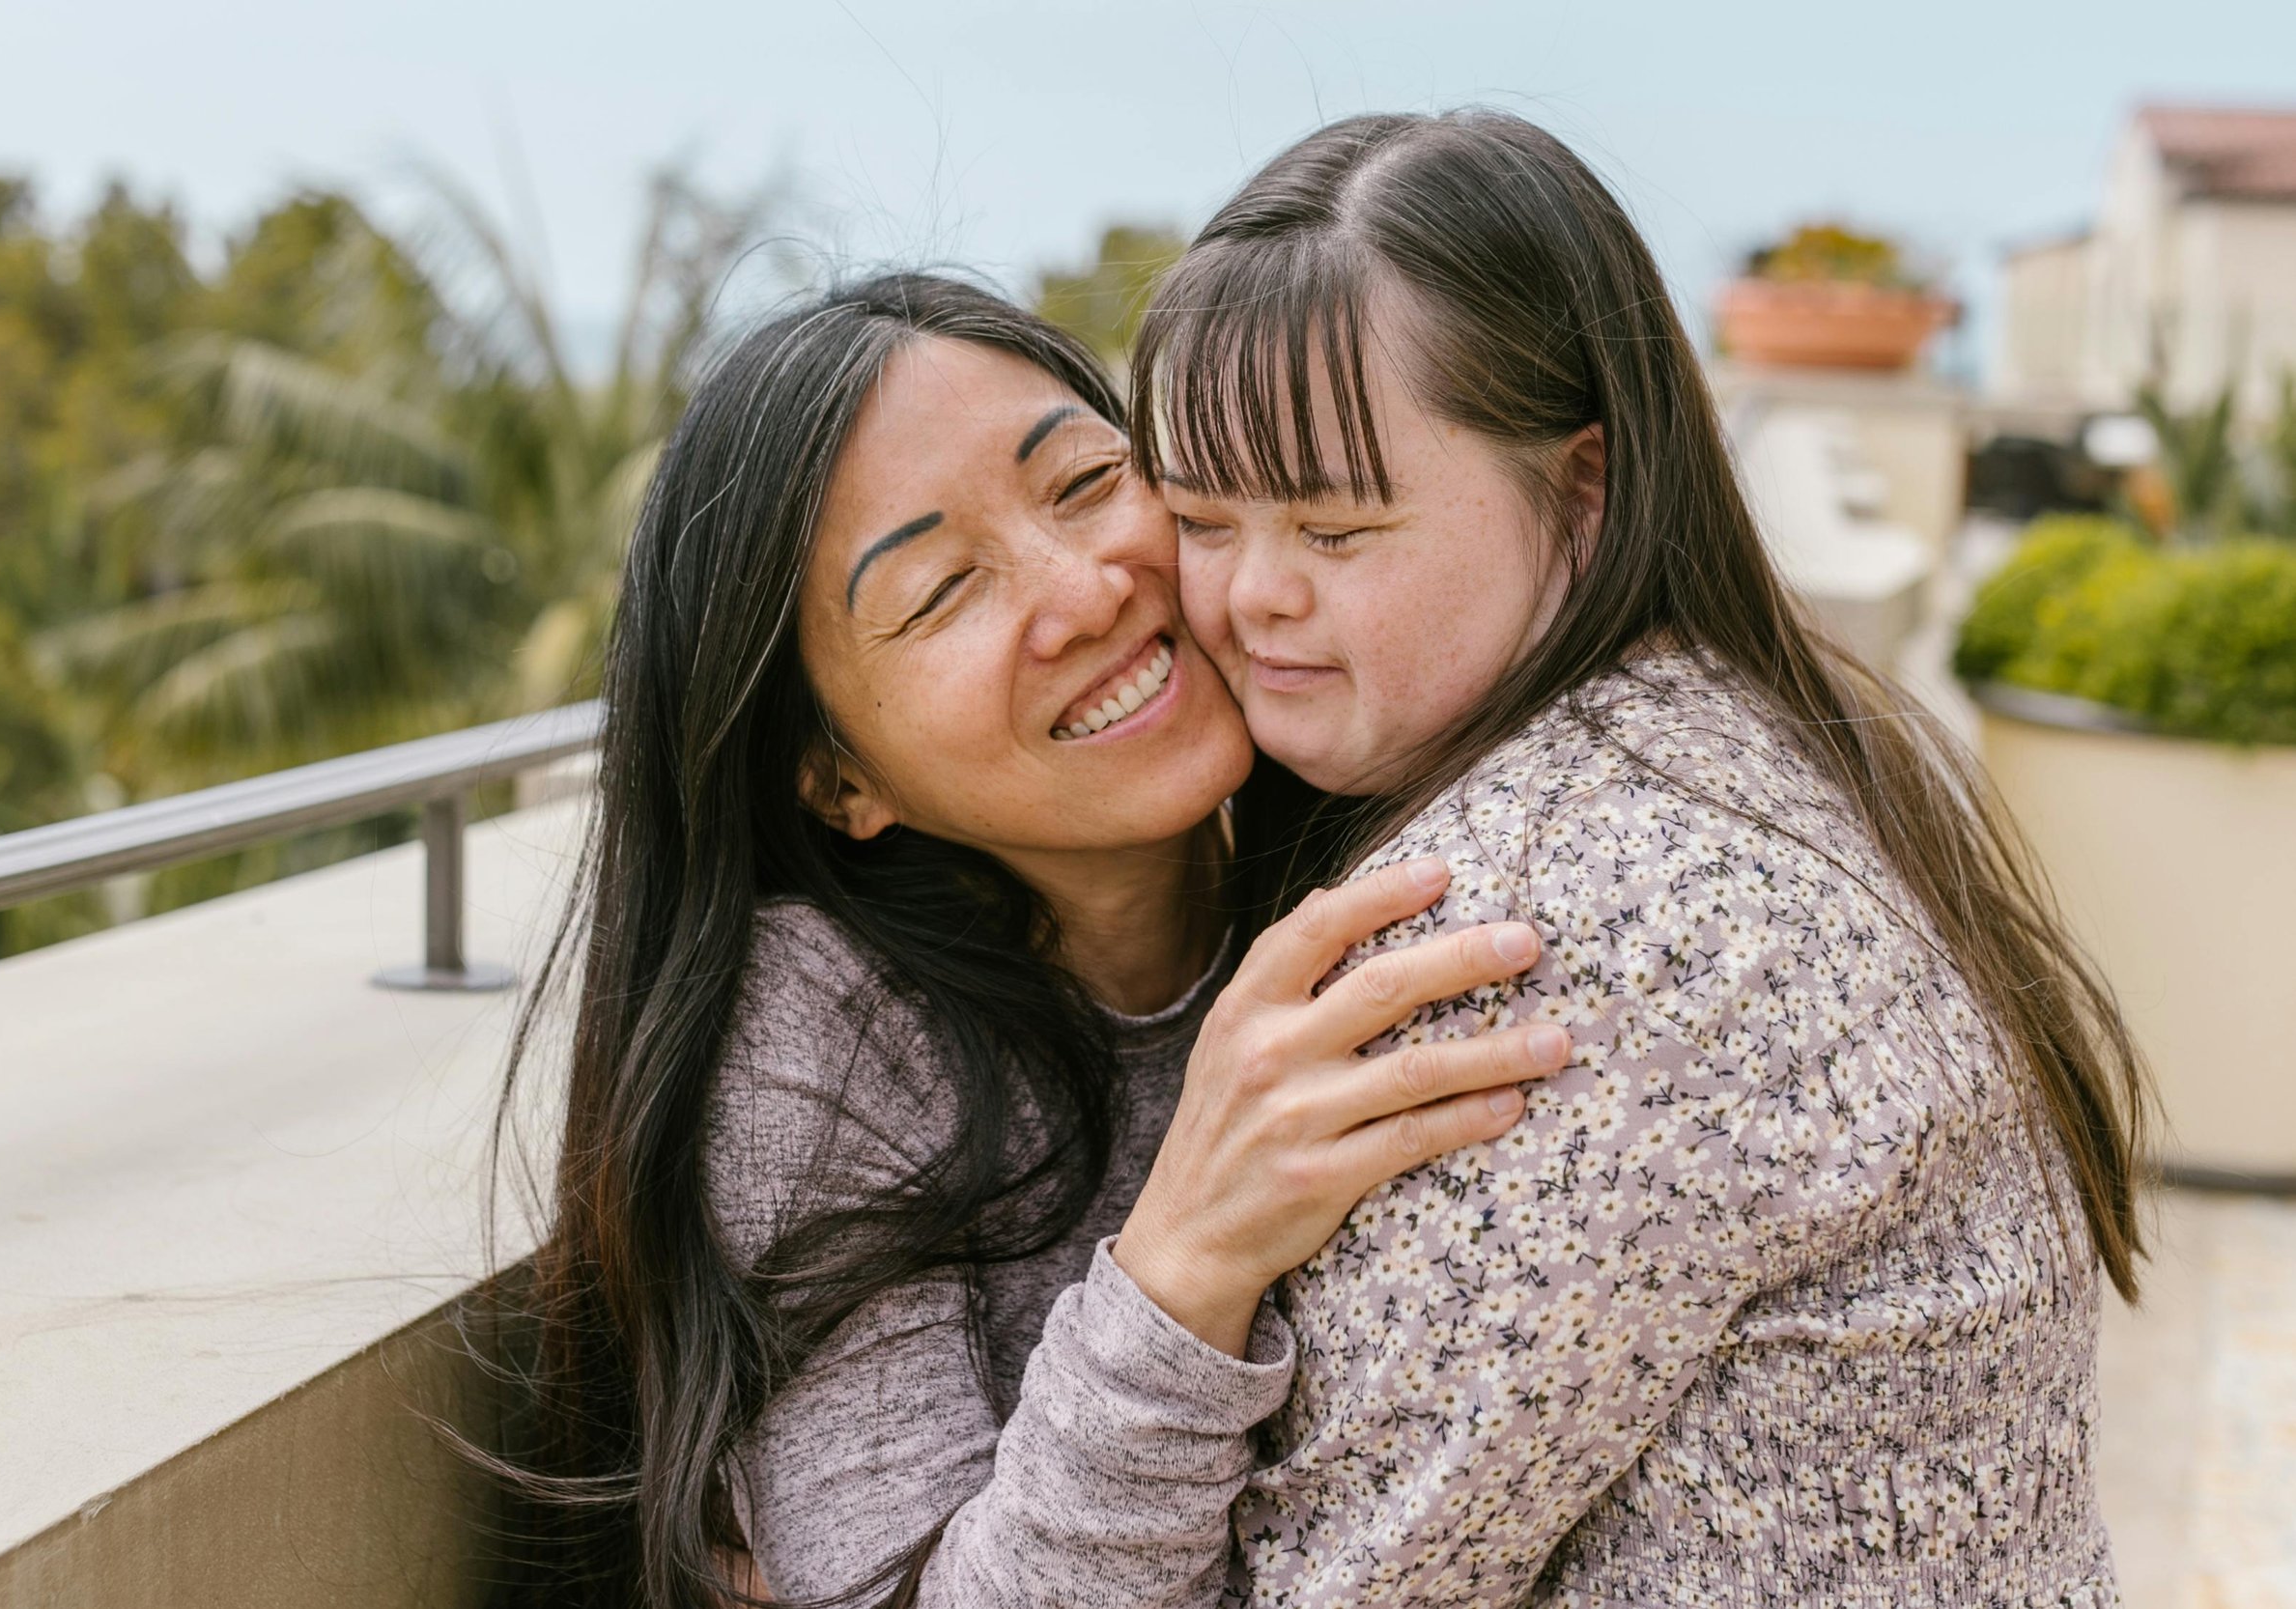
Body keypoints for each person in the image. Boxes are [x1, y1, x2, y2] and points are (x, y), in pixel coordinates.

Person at [1130, 109, 2151, 1606]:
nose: (1251, 595)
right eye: (1200, 517)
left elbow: (1320, 1582)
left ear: (1584, 494)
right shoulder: (1739, 730)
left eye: (1339, 528)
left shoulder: (1555, 933)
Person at [482, 272, 1571, 1609]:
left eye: (1083, 482)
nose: (1087, 589)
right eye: (942, 590)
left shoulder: (1407, 846)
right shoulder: (820, 1036)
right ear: (837, 780)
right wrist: (1186, 1260)